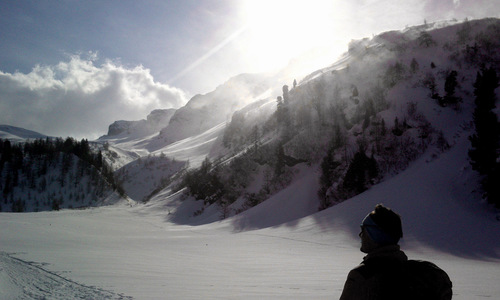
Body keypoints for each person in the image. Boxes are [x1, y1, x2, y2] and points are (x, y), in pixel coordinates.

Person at [339, 204, 452, 300]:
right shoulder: (431, 274)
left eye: (363, 229)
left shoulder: (362, 276)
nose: (360, 235)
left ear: (375, 234)